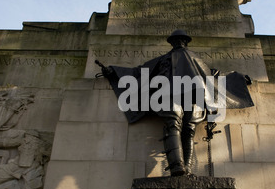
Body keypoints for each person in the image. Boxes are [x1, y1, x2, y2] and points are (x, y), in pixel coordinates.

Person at [97, 30, 254, 176]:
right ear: (182, 42)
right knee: (185, 129)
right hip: (187, 97)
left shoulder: (171, 59)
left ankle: (181, 167)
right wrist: (114, 71)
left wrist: (238, 80)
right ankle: (182, 167)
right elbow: (213, 77)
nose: (179, 43)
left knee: (178, 127)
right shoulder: (190, 59)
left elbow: (139, 73)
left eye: (179, 41)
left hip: (176, 96)